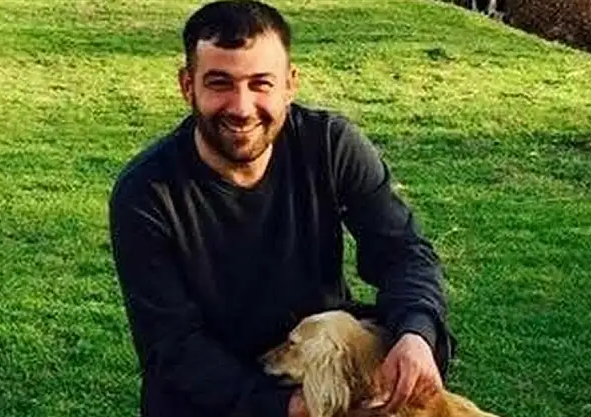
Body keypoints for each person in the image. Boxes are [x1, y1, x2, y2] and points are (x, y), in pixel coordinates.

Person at [109, 1, 456, 416]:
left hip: (315, 370)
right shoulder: (146, 193)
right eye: (219, 83)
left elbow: (403, 252)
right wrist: (287, 407)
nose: (241, 107)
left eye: (261, 83)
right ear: (188, 86)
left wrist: (416, 331)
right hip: (210, 400)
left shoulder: (329, 145)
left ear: (290, 84)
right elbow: (173, 344)